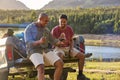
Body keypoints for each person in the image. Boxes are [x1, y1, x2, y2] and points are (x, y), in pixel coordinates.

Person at [24, 13, 63, 80]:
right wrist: (39, 42)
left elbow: (53, 40)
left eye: (48, 21)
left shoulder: (46, 30)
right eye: (45, 21)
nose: (47, 23)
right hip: (33, 51)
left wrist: (60, 42)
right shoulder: (29, 28)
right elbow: (28, 43)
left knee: (60, 64)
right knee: (41, 68)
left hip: (45, 50)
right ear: (40, 19)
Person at [51, 14, 90, 80]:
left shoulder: (69, 29)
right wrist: (59, 40)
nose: (63, 23)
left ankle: (80, 75)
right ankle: (59, 77)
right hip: (59, 48)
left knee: (82, 56)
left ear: (66, 22)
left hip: (68, 47)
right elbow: (53, 42)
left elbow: (71, 40)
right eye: (61, 22)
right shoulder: (55, 30)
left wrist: (71, 48)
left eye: (64, 22)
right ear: (59, 21)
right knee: (60, 56)